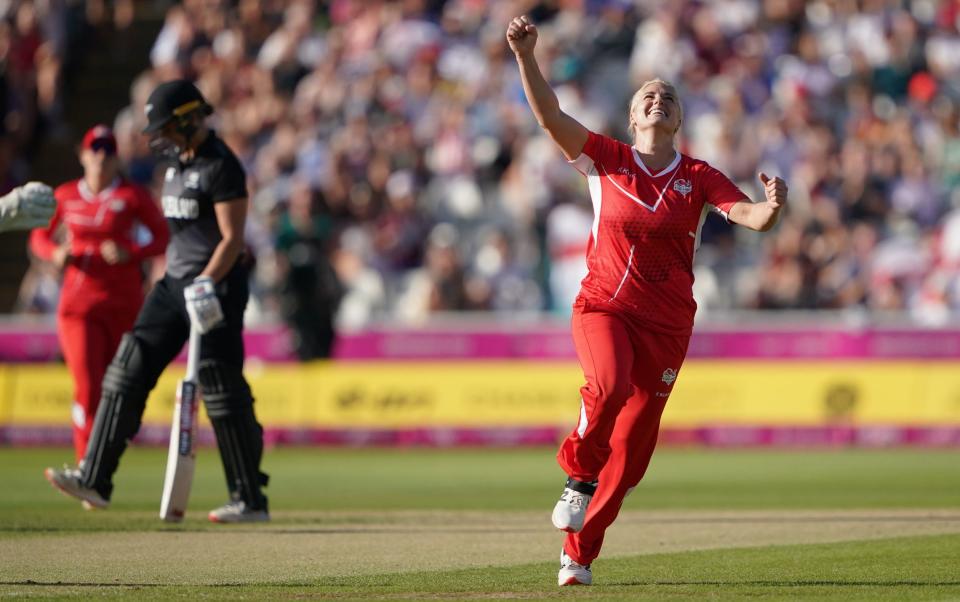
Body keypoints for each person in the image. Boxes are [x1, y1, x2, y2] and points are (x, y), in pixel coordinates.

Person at [506, 15, 788, 586]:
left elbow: (750, 217)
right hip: (603, 307)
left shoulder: (700, 176)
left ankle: (578, 554)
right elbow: (549, 118)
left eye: (668, 97)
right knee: (606, 387)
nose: (658, 98)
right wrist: (526, 56)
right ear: (635, 116)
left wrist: (772, 208)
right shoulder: (605, 158)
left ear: (678, 120)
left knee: (632, 456)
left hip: (667, 326)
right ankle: (577, 477)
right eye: (648, 96)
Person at [44, 80, 271, 523]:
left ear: (189, 119)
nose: (161, 137)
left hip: (216, 288)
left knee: (222, 391)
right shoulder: (172, 164)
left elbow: (232, 240)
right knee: (128, 368)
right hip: (173, 286)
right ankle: (95, 476)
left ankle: (249, 499)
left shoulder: (222, 166)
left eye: (167, 127)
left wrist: (206, 282)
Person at [29, 124, 169, 462]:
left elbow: (162, 237)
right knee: (88, 386)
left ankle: (103, 460)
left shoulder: (132, 197)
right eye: (95, 149)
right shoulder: (65, 196)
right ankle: (86, 463)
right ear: (82, 155)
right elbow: (39, 237)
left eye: (108, 150)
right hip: (78, 306)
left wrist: (131, 253)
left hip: (122, 304)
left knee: (117, 387)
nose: (101, 157)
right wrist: (56, 254)